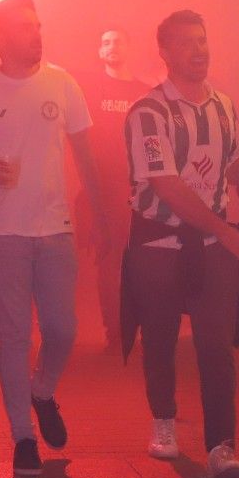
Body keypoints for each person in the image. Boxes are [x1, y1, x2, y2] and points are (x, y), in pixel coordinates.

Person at [0, 0, 107, 478]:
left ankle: (43, 391)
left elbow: (85, 152)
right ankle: (23, 437)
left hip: (55, 229)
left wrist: (98, 212)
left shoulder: (62, 83)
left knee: (64, 328)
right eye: (25, 27)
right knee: (15, 337)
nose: (37, 33)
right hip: (1, 235)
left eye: (38, 25)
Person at [126, 9, 239, 478]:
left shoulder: (224, 106)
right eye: (185, 43)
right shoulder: (148, 112)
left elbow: (234, 167)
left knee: (216, 346)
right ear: (164, 52)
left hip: (211, 244)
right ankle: (163, 418)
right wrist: (225, 231)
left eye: (202, 40)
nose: (198, 50)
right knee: (158, 337)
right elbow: (166, 184)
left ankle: (222, 447)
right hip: (160, 241)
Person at [77, 27, 152, 355]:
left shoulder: (146, 92)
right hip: (104, 189)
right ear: (98, 51)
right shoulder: (88, 89)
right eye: (105, 42)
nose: (112, 47)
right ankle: (116, 334)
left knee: (144, 263)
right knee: (109, 263)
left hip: (142, 189)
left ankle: (145, 329)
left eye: (118, 41)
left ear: (130, 48)